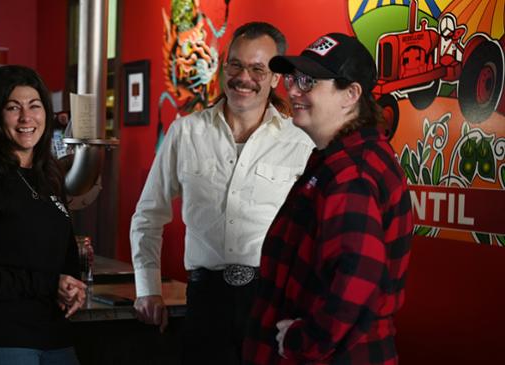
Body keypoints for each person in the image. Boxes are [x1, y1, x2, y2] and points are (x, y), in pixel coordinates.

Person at [130, 22, 314, 365]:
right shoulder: (186, 132)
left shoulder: (301, 142)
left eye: (258, 68)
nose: (244, 77)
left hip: (272, 300)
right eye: (236, 65)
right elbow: (148, 215)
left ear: (276, 78)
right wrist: (147, 288)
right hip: (205, 300)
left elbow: (314, 233)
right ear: (223, 66)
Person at [243, 33, 414, 364]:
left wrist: (303, 341)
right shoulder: (341, 158)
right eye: (293, 78)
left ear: (350, 95)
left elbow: (359, 274)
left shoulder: (352, 172)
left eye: (308, 81)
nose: (292, 90)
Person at [0, 65, 87, 365]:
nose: (26, 118)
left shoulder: (48, 179)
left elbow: (61, 253)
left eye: (34, 106)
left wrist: (72, 286)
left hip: (55, 338)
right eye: (13, 108)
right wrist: (50, 284)